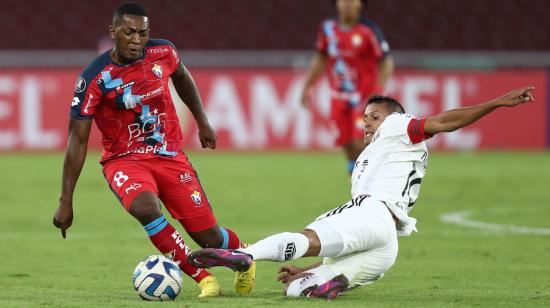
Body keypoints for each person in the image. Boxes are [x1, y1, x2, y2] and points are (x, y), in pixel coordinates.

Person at [187, 87, 535, 299]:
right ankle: (328, 281)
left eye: (374, 116)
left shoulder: (400, 127)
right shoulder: (376, 155)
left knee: (308, 236)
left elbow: (444, 121)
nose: (366, 122)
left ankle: (246, 255)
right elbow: (355, 234)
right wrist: (310, 270)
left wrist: (497, 102)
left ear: (394, 116)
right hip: (386, 244)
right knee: (295, 288)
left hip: (373, 213)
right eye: (365, 117)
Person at [52, 2, 255, 298]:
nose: (136, 40)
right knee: (146, 208)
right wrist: (65, 200)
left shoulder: (163, 53)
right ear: (113, 32)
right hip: (124, 160)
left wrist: (203, 121)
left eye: (143, 33)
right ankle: (204, 278)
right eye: (129, 32)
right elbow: (77, 141)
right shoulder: (93, 78)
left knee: (208, 236)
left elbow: (183, 78)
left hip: (169, 155)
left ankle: (246, 256)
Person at [300, 0, 394, 174]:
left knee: (361, 144)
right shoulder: (328, 29)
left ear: (361, 4)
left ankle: (373, 188)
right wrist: (307, 86)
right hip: (339, 98)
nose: (348, 3)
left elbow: (386, 62)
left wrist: (377, 92)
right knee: (348, 146)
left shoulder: (369, 31)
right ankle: (357, 189)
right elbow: (321, 59)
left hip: (363, 98)